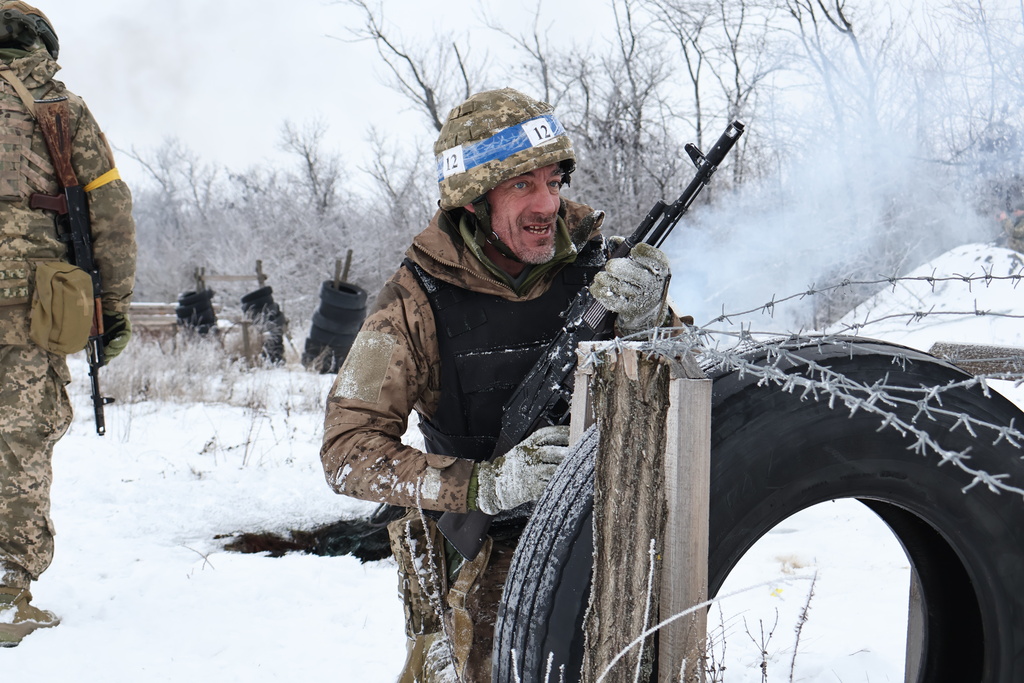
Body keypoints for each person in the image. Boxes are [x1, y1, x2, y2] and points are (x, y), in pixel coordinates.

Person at [321, 88, 673, 681]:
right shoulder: (412, 302)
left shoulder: (606, 267)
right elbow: (346, 453)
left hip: (612, 539)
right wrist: (482, 483)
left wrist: (651, 327)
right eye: (521, 186)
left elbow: (695, 399)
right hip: (480, 564)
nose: (547, 204)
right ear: (473, 202)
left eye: (553, 182)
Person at [0, 2, 136, 647]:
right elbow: (106, 209)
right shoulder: (56, 105)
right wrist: (113, 305)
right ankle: (4, 592)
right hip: (28, 307)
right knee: (19, 443)